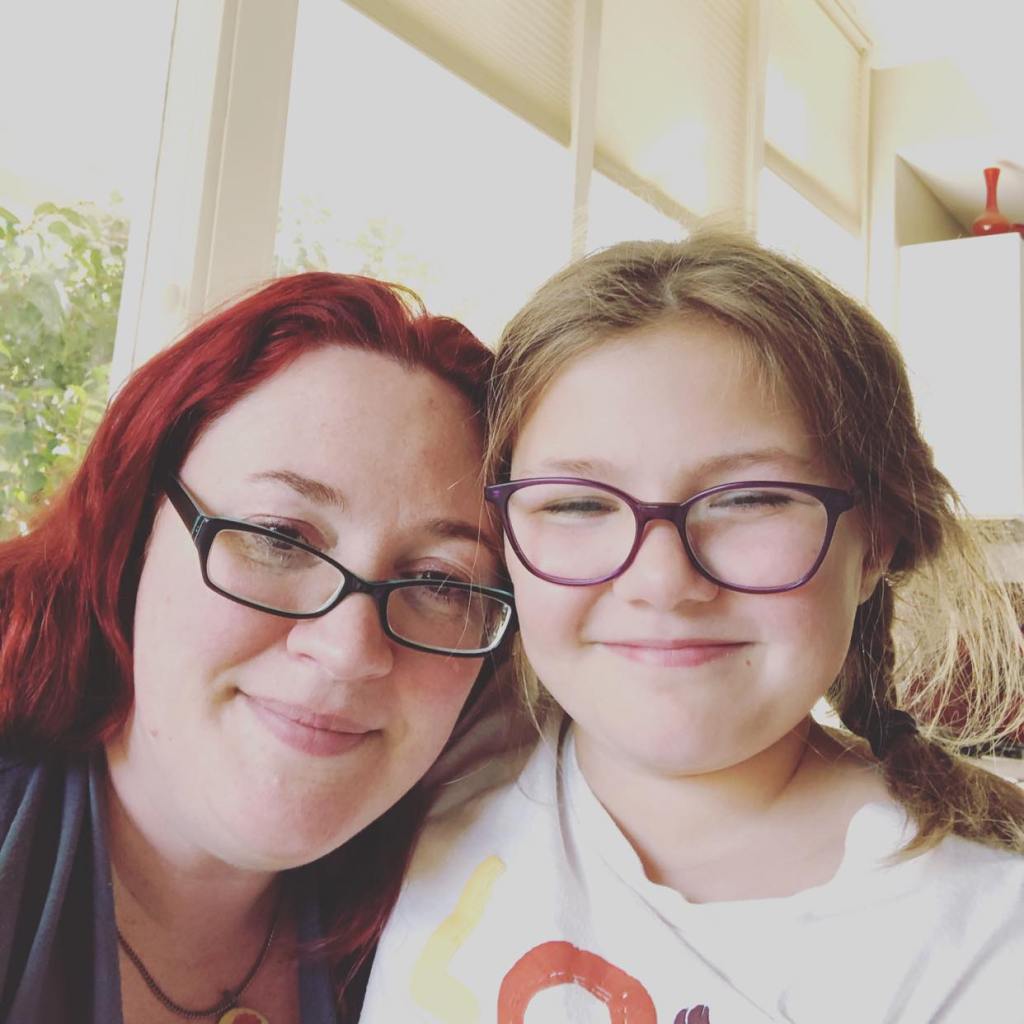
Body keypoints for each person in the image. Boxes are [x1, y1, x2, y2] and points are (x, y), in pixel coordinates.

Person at [360, 232, 1024, 1022]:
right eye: (576, 503)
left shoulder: (983, 937)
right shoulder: (426, 758)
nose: (662, 581)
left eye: (750, 499)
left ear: (873, 541)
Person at [0, 271, 517, 1024]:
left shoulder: (463, 918)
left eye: (440, 583)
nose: (348, 650)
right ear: (134, 527)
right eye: (278, 537)